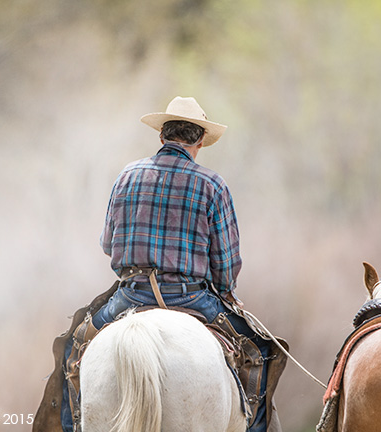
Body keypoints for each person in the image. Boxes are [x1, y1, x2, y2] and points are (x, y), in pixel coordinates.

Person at [49, 97, 281, 432]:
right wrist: (227, 292)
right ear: (199, 142)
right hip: (191, 298)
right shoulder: (213, 185)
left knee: (73, 348)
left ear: (162, 136)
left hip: (130, 296)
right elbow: (227, 263)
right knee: (259, 351)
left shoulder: (127, 176)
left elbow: (106, 244)